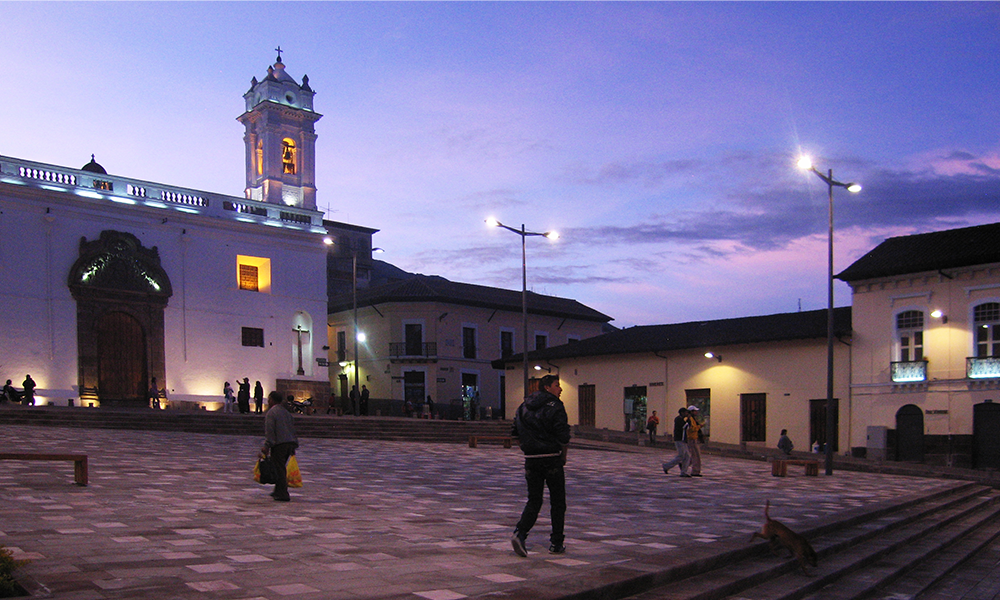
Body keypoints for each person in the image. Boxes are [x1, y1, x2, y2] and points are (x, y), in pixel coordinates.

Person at [511, 374, 571, 557]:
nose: (560, 389)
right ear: (547, 387)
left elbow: (514, 432)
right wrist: (563, 455)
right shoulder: (556, 405)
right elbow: (563, 435)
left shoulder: (523, 406)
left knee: (534, 499)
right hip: (551, 457)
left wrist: (527, 447)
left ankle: (520, 533)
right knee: (558, 501)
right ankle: (556, 543)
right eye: (556, 385)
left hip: (531, 459)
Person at [261, 390, 298, 502]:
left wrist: (267, 446)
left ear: (272, 400)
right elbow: (292, 428)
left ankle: (283, 493)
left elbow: (270, 431)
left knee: (279, 468)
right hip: (290, 443)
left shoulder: (272, 413)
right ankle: (278, 490)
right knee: (280, 467)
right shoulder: (286, 412)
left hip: (280, 444)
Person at [661, 408, 691, 477]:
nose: (687, 414)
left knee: (687, 456)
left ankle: (684, 472)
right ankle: (666, 466)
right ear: (682, 413)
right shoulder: (678, 419)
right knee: (681, 455)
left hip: (683, 440)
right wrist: (689, 420)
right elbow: (686, 426)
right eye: (686, 413)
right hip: (679, 439)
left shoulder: (681, 420)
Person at [687, 405, 704, 477]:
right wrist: (699, 426)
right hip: (692, 438)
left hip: (694, 438)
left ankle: (685, 464)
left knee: (694, 455)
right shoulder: (690, 419)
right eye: (695, 411)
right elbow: (692, 429)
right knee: (696, 455)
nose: (696, 412)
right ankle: (695, 471)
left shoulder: (693, 419)